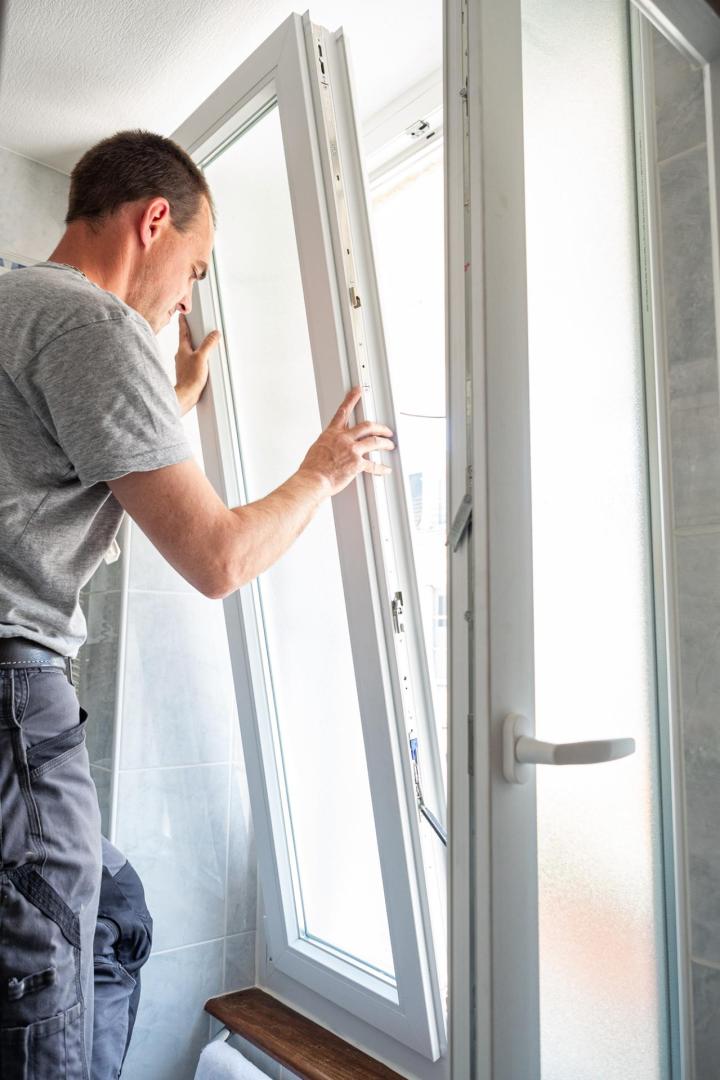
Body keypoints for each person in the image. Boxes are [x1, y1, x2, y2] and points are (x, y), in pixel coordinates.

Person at [0, 129, 395, 1079]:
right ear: (154, 221)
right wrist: (318, 473)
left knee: (113, 915)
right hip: (13, 690)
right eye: (197, 269)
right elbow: (217, 558)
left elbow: (51, 460)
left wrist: (171, 402)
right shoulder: (93, 326)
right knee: (47, 977)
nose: (187, 298)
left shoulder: (16, 301)